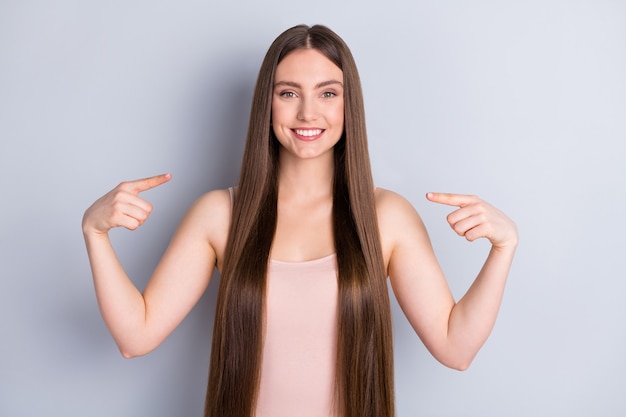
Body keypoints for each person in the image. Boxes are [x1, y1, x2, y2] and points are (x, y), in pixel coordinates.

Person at [82, 24, 518, 417]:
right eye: (289, 93)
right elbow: (135, 337)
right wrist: (95, 233)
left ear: (349, 106)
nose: (308, 113)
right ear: (266, 104)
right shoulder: (220, 215)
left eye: (328, 93)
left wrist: (504, 247)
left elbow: (455, 348)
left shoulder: (387, 218)